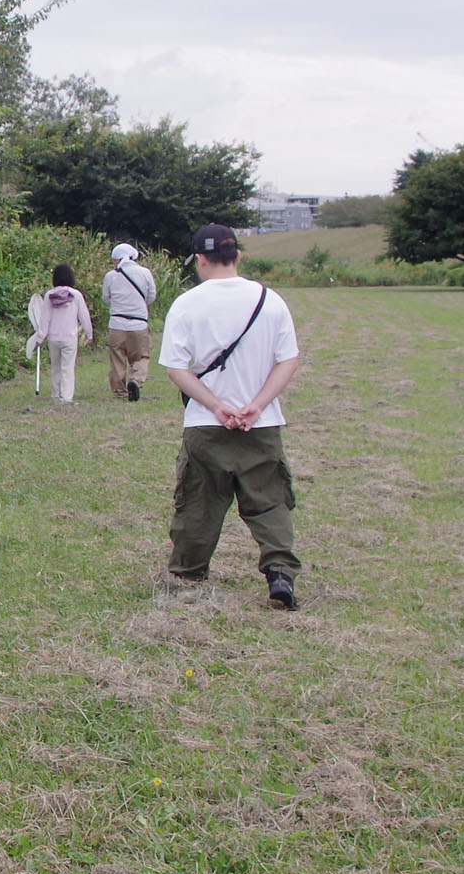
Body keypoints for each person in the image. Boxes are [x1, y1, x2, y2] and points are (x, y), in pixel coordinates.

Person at [158, 224, 304, 611]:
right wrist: (257, 405)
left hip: (206, 425)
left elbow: (176, 368)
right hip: (263, 425)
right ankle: (279, 575)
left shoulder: (187, 304)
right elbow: (287, 359)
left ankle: (188, 573)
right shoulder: (271, 301)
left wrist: (217, 405)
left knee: (199, 503)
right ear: (237, 256)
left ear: (200, 260)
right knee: (270, 501)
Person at [28, 265, 96, 404]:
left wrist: (40, 337)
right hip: (70, 338)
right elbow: (84, 316)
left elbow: (45, 318)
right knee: (67, 368)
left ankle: (55, 394)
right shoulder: (76, 295)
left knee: (56, 367)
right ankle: (66, 397)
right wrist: (89, 334)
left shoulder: (49, 295)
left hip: (53, 337)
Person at [102, 243, 159, 401]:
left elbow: (106, 298)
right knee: (141, 357)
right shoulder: (145, 273)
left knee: (117, 358)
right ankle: (135, 380)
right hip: (139, 323)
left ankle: (119, 392)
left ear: (117, 259)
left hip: (117, 323)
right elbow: (151, 296)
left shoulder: (110, 276)